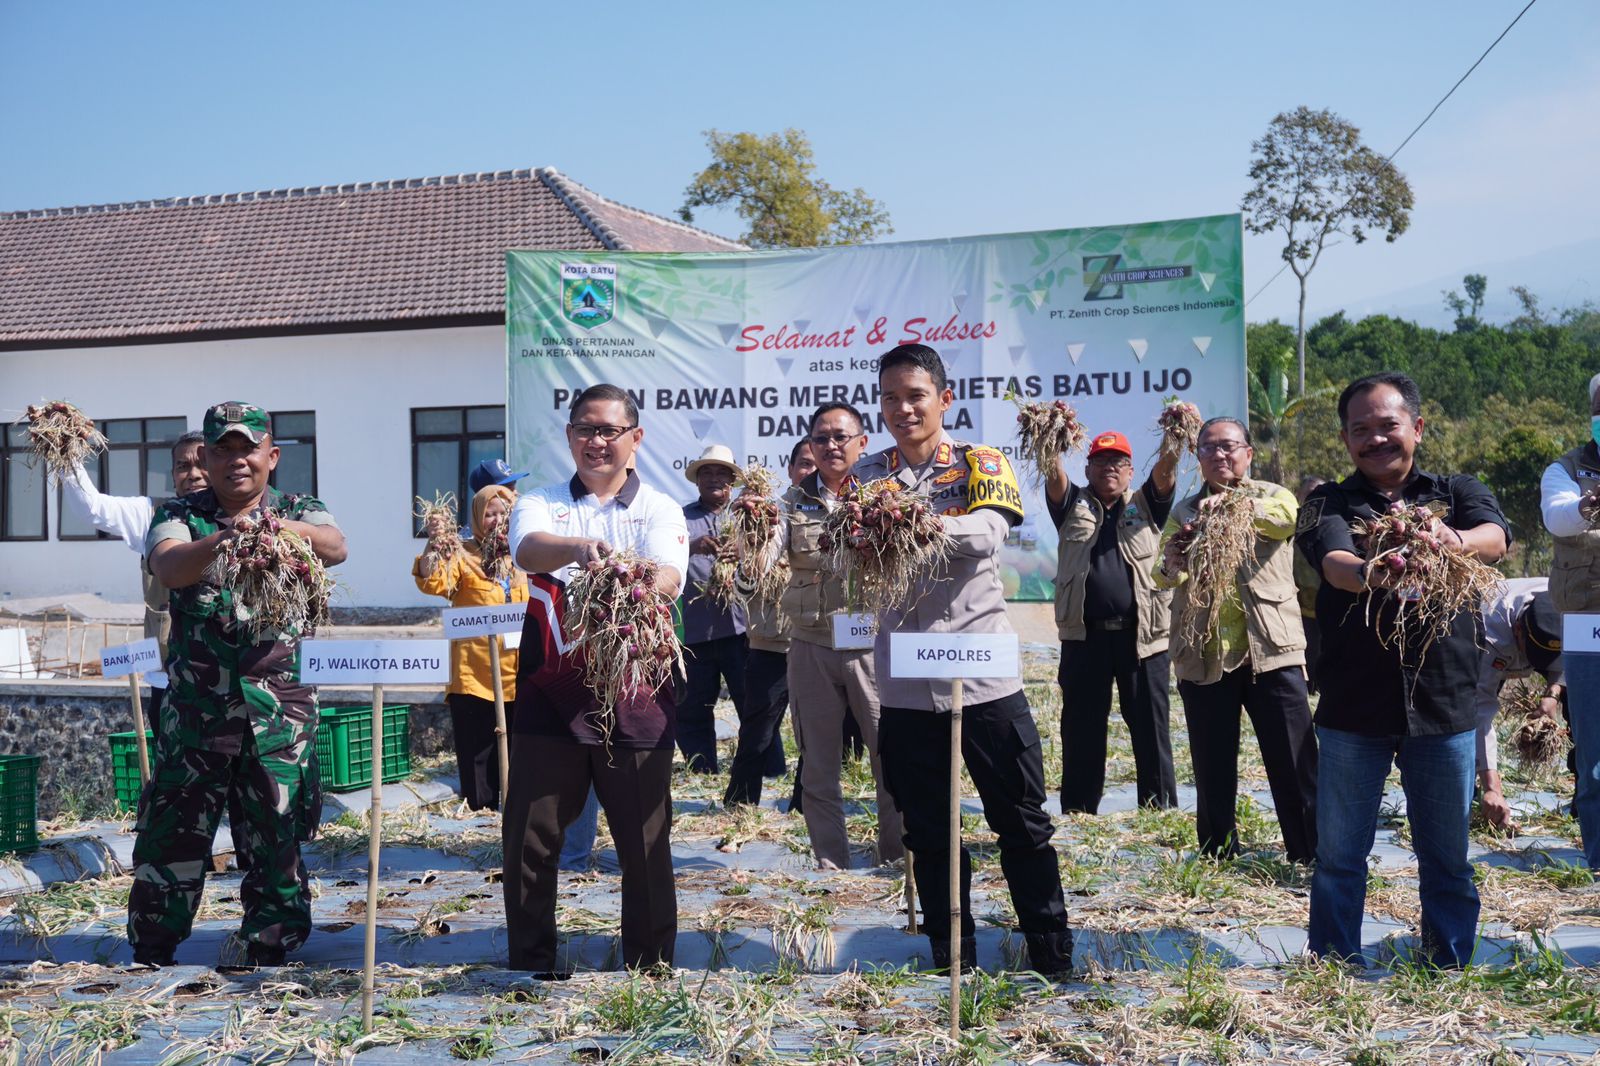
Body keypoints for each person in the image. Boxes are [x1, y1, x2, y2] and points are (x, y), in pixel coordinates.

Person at [860, 343, 1073, 975]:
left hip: (982, 675)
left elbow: (984, 534)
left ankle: (1051, 955)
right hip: (904, 681)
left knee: (1022, 822)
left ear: (944, 399)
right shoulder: (868, 476)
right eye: (891, 397)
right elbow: (851, 546)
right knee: (927, 833)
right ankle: (953, 959)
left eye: (916, 395)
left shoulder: (983, 462)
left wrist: (907, 525)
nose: (903, 409)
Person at [1297, 372, 1509, 967]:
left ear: (1416, 427)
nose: (1375, 439)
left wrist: (1452, 541)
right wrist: (1373, 572)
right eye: (1359, 430)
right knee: (1339, 853)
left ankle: (1450, 961)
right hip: (1353, 709)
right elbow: (1335, 560)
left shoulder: (1456, 491)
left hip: (1443, 704)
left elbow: (1496, 537)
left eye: (1387, 425)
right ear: (1344, 440)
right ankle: (1335, 963)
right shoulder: (1327, 502)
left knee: (1446, 855)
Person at [128, 402, 348, 968]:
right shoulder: (180, 514)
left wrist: (274, 531)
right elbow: (170, 567)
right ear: (205, 458)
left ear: (271, 457)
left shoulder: (299, 509)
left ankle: (271, 943)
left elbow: (335, 545)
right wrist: (225, 543)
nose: (236, 461)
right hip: (197, 716)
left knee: (277, 835)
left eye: (247, 449)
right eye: (222, 450)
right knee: (173, 834)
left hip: (278, 714)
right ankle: (154, 943)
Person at [503, 383, 688, 974]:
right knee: (532, 840)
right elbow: (528, 551)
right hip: (547, 693)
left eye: (610, 430)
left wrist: (626, 577)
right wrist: (580, 548)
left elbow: (667, 577)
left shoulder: (660, 508)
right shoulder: (541, 502)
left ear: (635, 438)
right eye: (586, 429)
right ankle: (531, 961)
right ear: (569, 437)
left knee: (644, 841)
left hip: (636, 691)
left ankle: (651, 964)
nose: (597, 441)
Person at [744, 404, 903, 869]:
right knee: (818, 763)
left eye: (840, 437)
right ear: (809, 446)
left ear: (862, 442)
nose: (831, 446)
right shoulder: (790, 503)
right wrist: (752, 537)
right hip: (811, 644)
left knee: (890, 757)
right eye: (821, 439)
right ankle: (831, 864)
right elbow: (760, 560)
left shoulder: (886, 498)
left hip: (875, 646)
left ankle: (896, 857)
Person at [1155, 417, 1317, 863]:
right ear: (1199, 458)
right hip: (1205, 654)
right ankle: (1217, 854)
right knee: (1212, 765)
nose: (1219, 455)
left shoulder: (1272, 497)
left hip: (1271, 650)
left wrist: (1234, 508)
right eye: (1208, 448)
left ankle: (1310, 853)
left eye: (1229, 446)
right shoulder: (1184, 512)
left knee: (1295, 760)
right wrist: (1172, 560)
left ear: (1248, 453)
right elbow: (1161, 575)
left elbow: (1285, 522)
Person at [1048, 427, 1179, 814]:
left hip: (1143, 637)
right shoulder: (1071, 503)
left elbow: (1167, 470)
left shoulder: (1146, 504)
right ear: (1087, 469)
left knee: (1151, 727)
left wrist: (1175, 436)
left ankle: (1159, 809)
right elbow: (1052, 474)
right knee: (1082, 727)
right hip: (1084, 637)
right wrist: (1049, 438)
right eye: (1101, 461)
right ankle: (1079, 809)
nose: (1110, 467)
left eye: (1118, 461)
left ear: (1130, 469)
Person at [413, 484, 529, 811]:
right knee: (478, 753)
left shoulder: (521, 556)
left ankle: (515, 814)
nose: (496, 520)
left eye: (502, 513)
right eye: (489, 514)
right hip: (474, 674)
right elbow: (432, 580)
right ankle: (481, 817)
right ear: (478, 518)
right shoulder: (462, 554)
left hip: (517, 672)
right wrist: (435, 544)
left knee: (518, 753)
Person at [723, 438, 814, 807]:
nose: (809, 470)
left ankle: (805, 804)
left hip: (815, 643)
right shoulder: (765, 517)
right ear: (790, 470)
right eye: (802, 464)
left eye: (814, 463)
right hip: (770, 644)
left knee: (814, 734)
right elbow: (743, 587)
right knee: (756, 733)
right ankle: (741, 803)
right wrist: (756, 555)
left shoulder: (838, 518)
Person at [1539, 369, 1600, 870]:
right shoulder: (1566, 470)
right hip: (1589, 632)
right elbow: (1558, 516)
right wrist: (1587, 504)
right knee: (1595, 754)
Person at [677, 444, 748, 773]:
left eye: (722, 472)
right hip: (696, 630)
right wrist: (692, 547)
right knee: (692, 707)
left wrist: (744, 552)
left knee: (753, 705)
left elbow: (770, 559)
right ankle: (701, 770)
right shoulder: (681, 519)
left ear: (733, 480)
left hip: (742, 629)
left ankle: (761, 767)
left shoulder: (746, 516)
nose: (715, 478)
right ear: (697, 480)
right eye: (708, 472)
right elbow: (661, 557)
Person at [1472, 582, 1563, 830]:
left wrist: (1553, 693)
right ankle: (1474, 796)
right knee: (1462, 725)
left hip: (1545, 634)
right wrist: (1492, 787)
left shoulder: (1565, 601)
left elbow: (1574, 656)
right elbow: (1480, 710)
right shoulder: (1487, 633)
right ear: (1520, 631)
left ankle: (1586, 802)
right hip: (1486, 649)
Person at [1294, 476, 1327, 695]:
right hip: (1299, 604)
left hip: (1329, 601)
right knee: (1307, 648)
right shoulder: (1290, 523)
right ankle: (1308, 686)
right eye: (1309, 493)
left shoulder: (1334, 521)